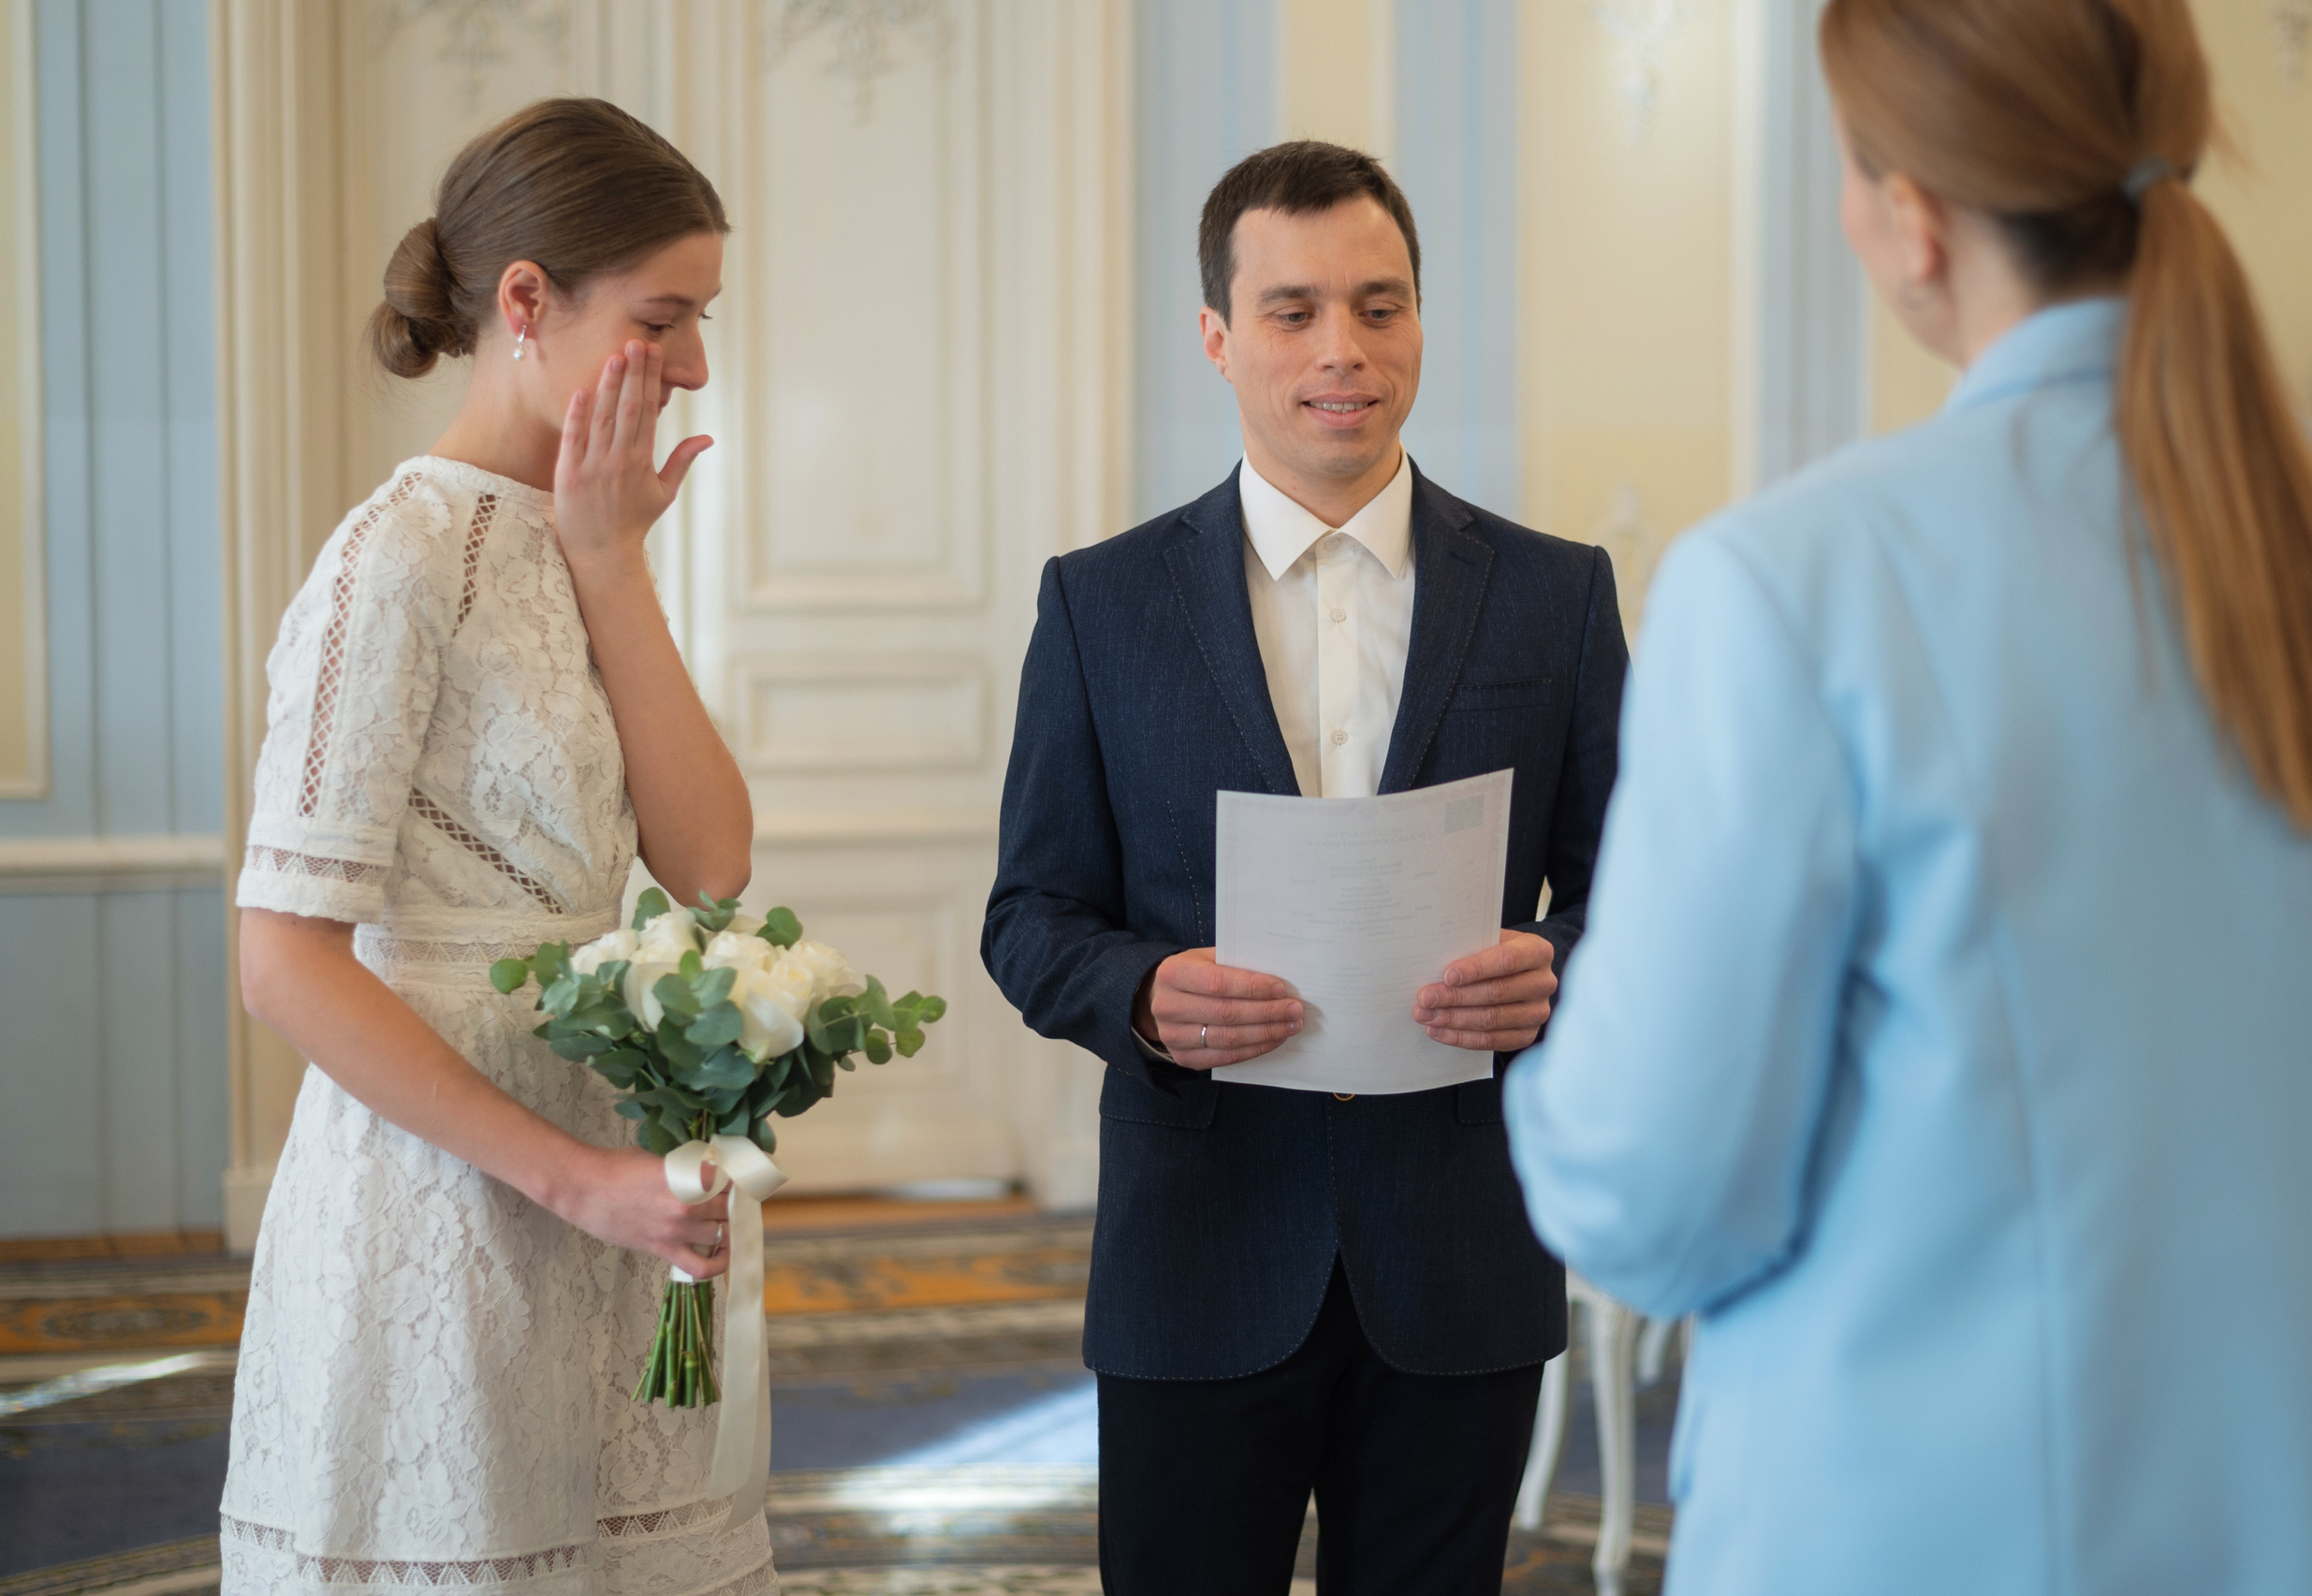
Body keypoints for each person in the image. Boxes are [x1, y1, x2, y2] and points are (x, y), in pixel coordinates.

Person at [1508, 0, 2312, 1591]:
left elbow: (1651, 1196)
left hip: (1943, 1521)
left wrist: (1545, 1072)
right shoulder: (2267, 534)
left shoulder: (1793, 582)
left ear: (1913, 221)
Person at [983, 141, 1627, 1595]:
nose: (1343, 349)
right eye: (1291, 310)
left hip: (1460, 1249)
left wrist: (1563, 964)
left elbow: (1638, 896)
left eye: (1379, 305)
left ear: (1419, 321)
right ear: (1216, 337)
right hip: (1196, 1254)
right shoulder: (1100, 606)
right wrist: (1144, 993)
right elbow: (1029, 917)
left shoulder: (1558, 595)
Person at [223, 99, 773, 1595]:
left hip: (610, 1177)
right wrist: (572, 1182)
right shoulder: (388, 562)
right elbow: (279, 961)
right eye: (664, 320)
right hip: (450, 1200)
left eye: (702, 321)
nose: (698, 367)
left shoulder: (584, 530)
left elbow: (709, 863)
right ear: (524, 302)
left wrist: (611, 563)